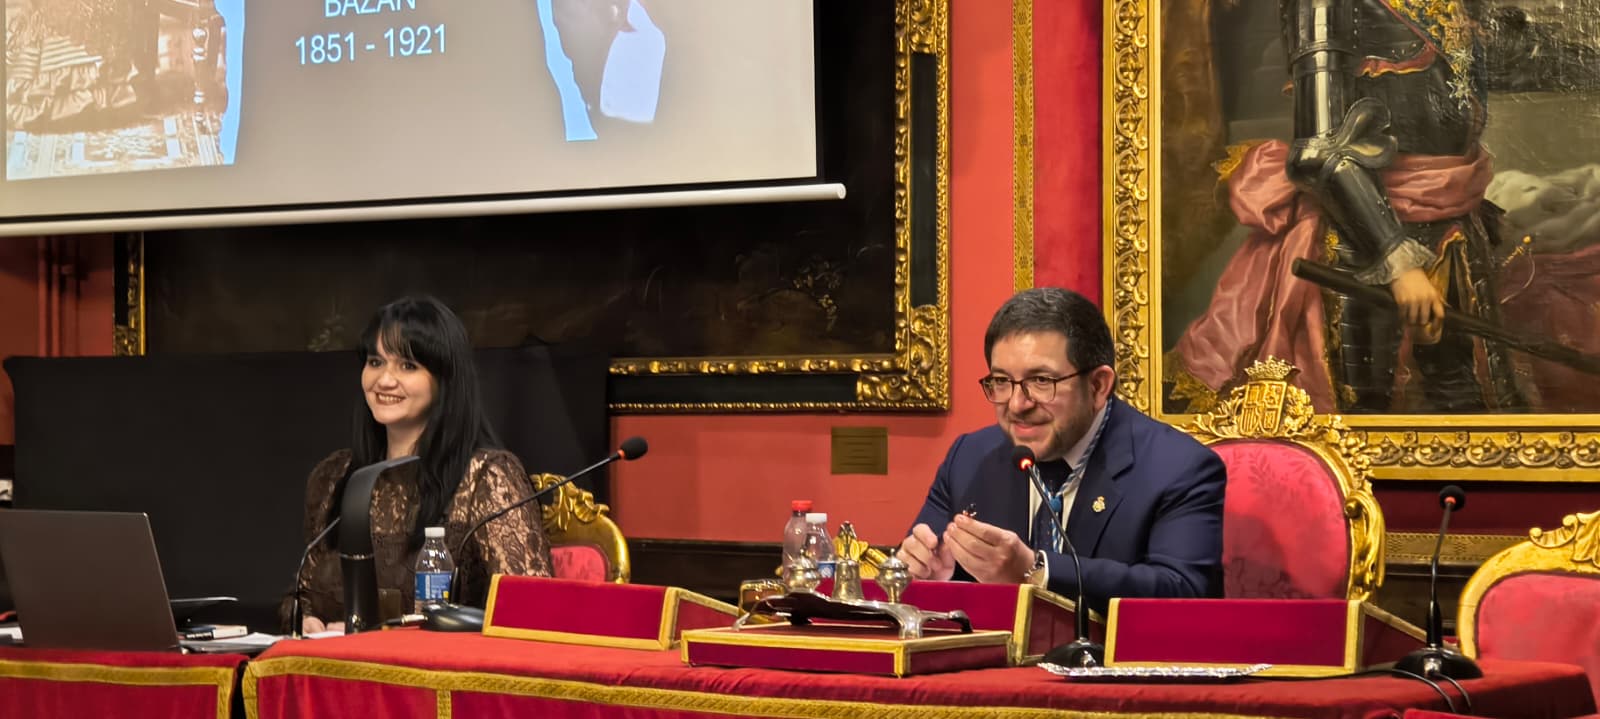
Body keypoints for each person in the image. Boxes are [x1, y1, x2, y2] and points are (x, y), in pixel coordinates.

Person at [1169, 0, 1521, 414]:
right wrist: (1397, 260)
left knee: (1466, 409)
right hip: (1360, 242)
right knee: (1365, 415)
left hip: (1455, 233)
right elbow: (1318, 152)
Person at [898, 288, 1226, 611]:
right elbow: (928, 574)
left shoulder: (1178, 468)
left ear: (1098, 386)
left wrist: (1036, 572)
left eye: (1041, 381)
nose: (1017, 404)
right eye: (1002, 381)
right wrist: (931, 577)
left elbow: (1182, 593)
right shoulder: (969, 458)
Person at [286, 296, 552, 634]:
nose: (384, 380)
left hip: (441, 665)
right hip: (336, 662)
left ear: (444, 379)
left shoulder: (486, 477)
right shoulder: (333, 477)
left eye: (407, 366)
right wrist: (306, 619)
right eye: (375, 362)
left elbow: (531, 613)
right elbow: (303, 596)